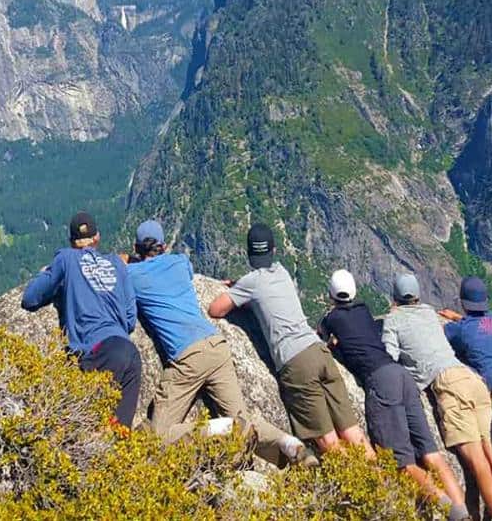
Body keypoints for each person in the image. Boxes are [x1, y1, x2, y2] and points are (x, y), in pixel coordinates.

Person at [125, 219, 314, 467]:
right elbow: (188, 271)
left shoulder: (132, 275)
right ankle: (289, 444)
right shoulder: (180, 262)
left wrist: (127, 259)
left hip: (186, 358)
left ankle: (221, 428)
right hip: (217, 346)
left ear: (136, 247)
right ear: (162, 245)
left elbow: (118, 270)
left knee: (158, 437)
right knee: (241, 419)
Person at [320, 269, 470, 521]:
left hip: (380, 381)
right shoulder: (365, 310)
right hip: (403, 376)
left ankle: (453, 515)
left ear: (331, 294)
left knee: (401, 463)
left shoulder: (329, 319)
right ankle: (463, 512)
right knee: (431, 456)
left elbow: (323, 339)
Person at [207, 224, 370, 455]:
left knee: (328, 441)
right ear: (273, 251)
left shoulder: (250, 283)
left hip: (296, 362)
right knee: (353, 433)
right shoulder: (282, 271)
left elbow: (216, 309)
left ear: (249, 254)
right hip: (319, 352)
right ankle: (383, 487)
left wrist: (237, 291)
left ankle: (352, 488)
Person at [383, 273, 492, 520]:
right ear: (417, 296)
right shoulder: (428, 311)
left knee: (477, 463)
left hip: (449, 385)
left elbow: (389, 356)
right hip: (473, 380)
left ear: (394, 299)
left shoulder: (393, 321)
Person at [21, 211, 141, 427]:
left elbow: (30, 299)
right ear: (97, 238)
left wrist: (46, 274)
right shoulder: (117, 264)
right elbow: (131, 319)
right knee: (119, 436)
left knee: (86, 429)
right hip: (129, 353)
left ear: (72, 241)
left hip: (97, 350)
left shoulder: (66, 258)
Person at [439, 277, 492, 401]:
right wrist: (458, 317)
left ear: (463, 302)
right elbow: (478, 326)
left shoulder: (460, 330)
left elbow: (447, 333)